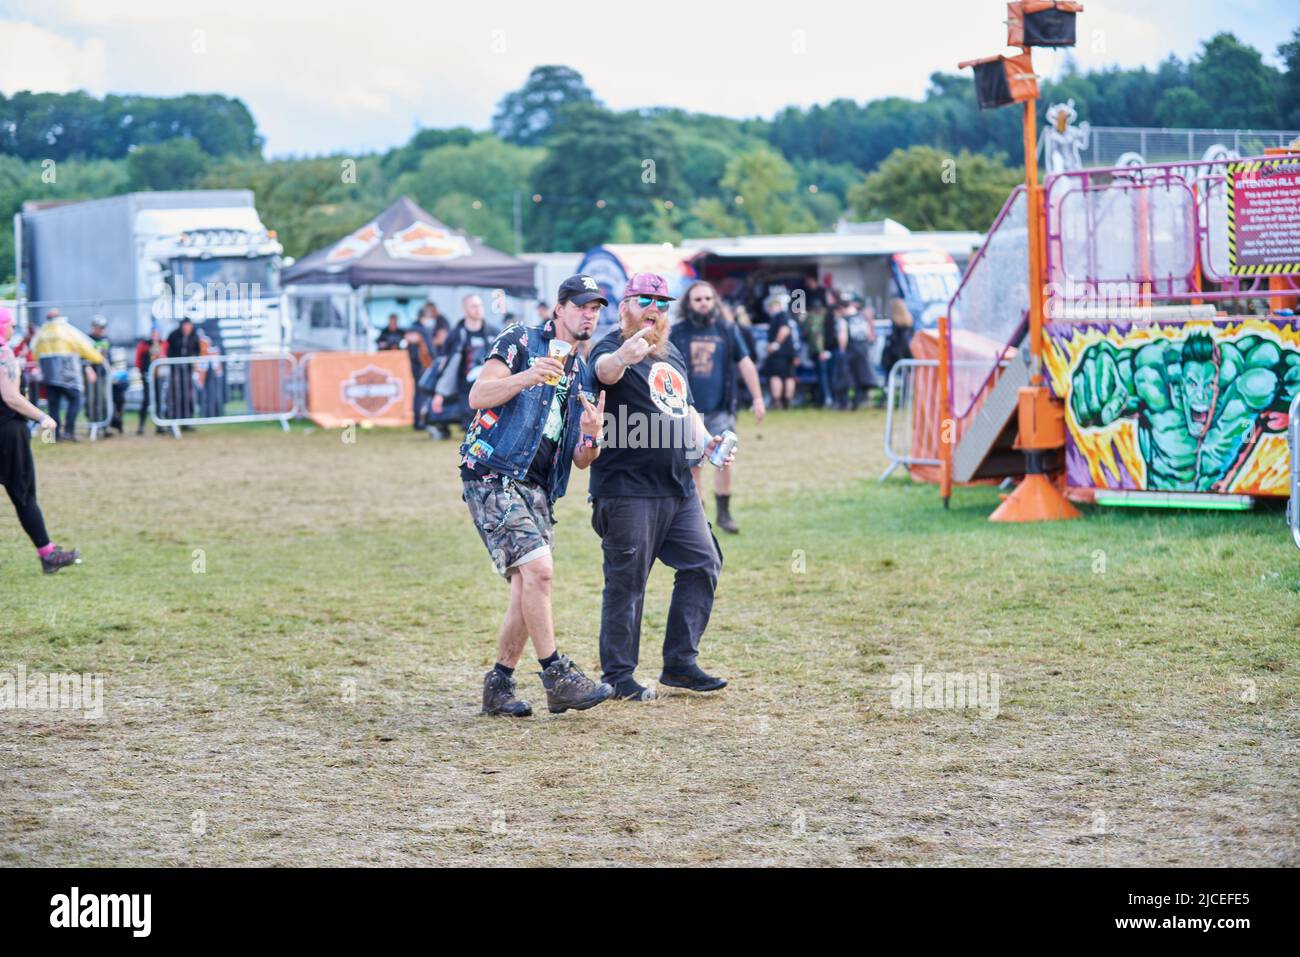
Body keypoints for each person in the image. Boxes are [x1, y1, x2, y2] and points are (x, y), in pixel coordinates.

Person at [460, 274, 614, 717]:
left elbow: (584, 460)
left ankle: (499, 685)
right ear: (559, 309)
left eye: (596, 309)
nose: (589, 315)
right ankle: (556, 675)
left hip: (539, 486)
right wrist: (528, 375)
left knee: (527, 585)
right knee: (540, 571)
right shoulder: (520, 340)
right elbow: (478, 394)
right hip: (492, 471)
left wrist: (592, 436)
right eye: (582, 306)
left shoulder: (581, 370)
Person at [589, 272, 735, 702]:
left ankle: (680, 664)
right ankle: (619, 677)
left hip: (678, 488)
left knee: (703, 563)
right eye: (644, 301)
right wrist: (625, 356)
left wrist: (706, 441)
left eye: (662, 303)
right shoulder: (610, 346)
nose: (654, 309)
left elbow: (684, 407)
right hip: (627, 490)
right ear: (625, 306)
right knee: (627, 584)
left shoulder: (670, 354)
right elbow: (604, 372)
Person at [669, 280, 764, 534]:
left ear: (715, 302)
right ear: (689, 303)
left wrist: (757, 397)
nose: (704, 303)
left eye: (708, 299)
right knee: (694, 464)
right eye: (698, 299)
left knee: (724, 460)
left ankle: (724, 514)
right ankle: (699, 520)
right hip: (688, 411)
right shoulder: (677, 332)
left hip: (721, 407)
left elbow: (745, 363)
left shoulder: (726, 330)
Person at [0, 308, 81, 573]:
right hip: (9, 432)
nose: (13, 329)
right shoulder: (3, 354)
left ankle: (47, 552)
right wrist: (42, 417)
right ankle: (47, 554)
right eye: (10, 324)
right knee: (24, 495)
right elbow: (11, 397)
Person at [429, 294, 498, 437]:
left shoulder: (493, 332)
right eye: (473, 306)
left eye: (479, 305)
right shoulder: (456, 335)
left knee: (490, 425)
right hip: (465, 390)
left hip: (491, 386)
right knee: (470, 428)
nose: (478, 309)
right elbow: (446, 365)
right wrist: (440, 393)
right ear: (465, 310)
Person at [31, 309, 101, 442]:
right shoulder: (67, 330)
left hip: (48, 377)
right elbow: (85, 346)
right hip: (68, 377)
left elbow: (34, 352)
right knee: (77, 400)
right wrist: (98, 359)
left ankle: (53, 436)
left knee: (53, 407)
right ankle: (68, 431)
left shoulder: (41, 333)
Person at [838, 296, 877, 410]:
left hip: (851, 350)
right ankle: (857, 402)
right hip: (863, 350)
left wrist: (842, 350)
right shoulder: (862, 317)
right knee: (861, 377)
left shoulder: (845, 319)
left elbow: (843, 335)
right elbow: (869, 334)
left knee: (845, 377)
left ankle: (844, 403)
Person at [762, 292, 799, 410]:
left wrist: (775, 344)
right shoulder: (788, 316)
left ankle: (777, 402)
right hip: (790, 352)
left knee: (776, 376)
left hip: (779, 353)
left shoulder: (780, 316)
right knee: (789, 376)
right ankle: (788, 402)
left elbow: (784, 330)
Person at [164, 316, 201, 423]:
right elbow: (168, 350)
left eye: (188, 326)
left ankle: (187, 420)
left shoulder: (194, 336)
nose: (187, 328)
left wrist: (195, 361)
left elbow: (197, 351)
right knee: (175, 394)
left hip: (188, 370)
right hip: (175, 369)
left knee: (188, 395)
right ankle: (173, 419)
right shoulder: (173, 335)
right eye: (185, 326)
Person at [134, 325, 165, 434]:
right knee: (146, 400)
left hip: (159, 376)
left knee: (159, 400)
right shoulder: (144, 344)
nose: (155, 335)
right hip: (147, 375)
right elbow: (138, 359)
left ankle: (159, 425)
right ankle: (141, 426)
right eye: (153, 333)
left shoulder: (163, 344)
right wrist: (139, 371)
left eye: (157, 333)